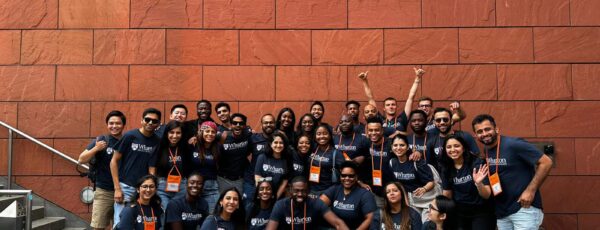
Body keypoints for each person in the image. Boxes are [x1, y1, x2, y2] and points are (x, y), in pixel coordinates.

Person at [472, 114, 552, 229]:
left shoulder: (514, 144)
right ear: (476, 135)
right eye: (480, 131)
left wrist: (530, 191)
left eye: (487, 129)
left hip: (523, 208)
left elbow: (546, 162)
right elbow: (487, 194)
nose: (484, 134)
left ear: (496, 129)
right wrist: (478, 184)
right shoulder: (486, 152)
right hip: (502, 213)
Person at [110, 108, 162, 227]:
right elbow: (113, 161)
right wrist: (117, 188)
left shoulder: (157, 141)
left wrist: (152, 188)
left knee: (142, 223)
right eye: (147, 119)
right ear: (142, 120)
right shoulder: (130, 136)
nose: (150, 123)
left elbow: (152, 167)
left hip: (144, 189)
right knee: (120, 222)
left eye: (154, 121)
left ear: (158, 124)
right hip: (126, 187)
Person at [78, 110, 126, 230]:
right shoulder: (101, 140)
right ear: (107, 124)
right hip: (104, 191)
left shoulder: (128, 140)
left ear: (123, 125)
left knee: (121, 226)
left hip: (125, 191)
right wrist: (96, 148)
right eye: (111, 123)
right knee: (98, 227)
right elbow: (81, 159)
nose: (114, 126)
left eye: (118, 123)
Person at [439, 135, 495, 230]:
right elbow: (447, 193)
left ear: (463, 148)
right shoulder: (446, 167)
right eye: (449, 147)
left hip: (481, 211)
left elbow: (486, 195)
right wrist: (441, 209)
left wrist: (478, 183)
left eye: (456, 146)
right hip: (459, 212)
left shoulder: (477, 163)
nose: (452, 149)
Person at [357, 68, 425, 138]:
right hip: (383, 147)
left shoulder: (402, 118)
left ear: (396, 107)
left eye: (393, 104)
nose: (391, 106)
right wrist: (365, 81)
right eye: (388, 105)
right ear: (384, 108)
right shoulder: (380, 119)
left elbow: (411, 97)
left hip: (399, 147)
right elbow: (370, 98)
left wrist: (417, 79)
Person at [266, 176, 349, 230]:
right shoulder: (280, 205)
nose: (300, 194)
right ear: (290, 190)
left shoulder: (316, 203)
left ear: (308, 191)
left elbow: (338, 223)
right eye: (296, 191)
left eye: (303, 191)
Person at [386, 135, 436, 222]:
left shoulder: (416, 161)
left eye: (402, 145)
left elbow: (431, 182)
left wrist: (424, 189)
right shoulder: (392, 163)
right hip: (411, 201)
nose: (398, 148)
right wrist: (406, 204)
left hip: (426, 200)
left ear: (407, 147)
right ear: (391, 147)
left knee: (426, 225)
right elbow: (399, 185)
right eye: (395, 145)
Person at [320, 161, 376, 229]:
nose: (347, 178)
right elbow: (319, 205)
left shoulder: (365, 194)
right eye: (343, 175)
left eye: (351, 176)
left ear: (356, 177)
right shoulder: (335, 189)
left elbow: (370, 218)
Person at [358, 117, 391, 207]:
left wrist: (416, 153)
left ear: (382, 131)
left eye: (376, 130)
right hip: (370, 190)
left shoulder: (391, 144)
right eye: (370, 130)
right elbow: (355, 165)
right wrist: (360, 182)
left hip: (389, 189)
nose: (373, 133)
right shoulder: (364, 144)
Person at [155, 120, 189, 209]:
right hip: (162, 186)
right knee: (165, 213)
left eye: (178, 133)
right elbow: (152, 167)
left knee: (178, 214)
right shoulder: (160, 147)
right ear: (166, 133)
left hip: (181, 186)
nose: (175, 136)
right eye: (171, 132)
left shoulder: (186, 147)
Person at [246, 114, 277, 206]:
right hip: (252, 180)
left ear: (275, 124)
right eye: (266, 123)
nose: (268, 125)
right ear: (261, 125)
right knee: (249, 205)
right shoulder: (253, 138)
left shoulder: (278, 140)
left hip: (271, 182)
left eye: (271, 122)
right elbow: (244, 154)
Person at [217, 113, 252, 195]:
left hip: (240, 179)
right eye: (235, 123)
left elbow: (249, 151)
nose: (238, 125)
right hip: (223, 179)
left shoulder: (248, 135)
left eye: (241, 123)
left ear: (244, 126)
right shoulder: (223, 136)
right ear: (231, 125)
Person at [190, 121, 220, 214]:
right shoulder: (193, 145)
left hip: (211, 189)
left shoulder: (217, 148)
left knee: (210, 217)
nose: (210, 134)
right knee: (193, 218)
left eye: (213, 132)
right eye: (207, 131)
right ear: (202, 132)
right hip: (193, 187)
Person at [308, 124, 345, 197]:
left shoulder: (336, 153)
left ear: (330, 136)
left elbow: (345, 171)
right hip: (311, 190)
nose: (322, 136)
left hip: (327, 191)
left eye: (325, 133)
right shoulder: (312, 149)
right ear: (315, 137)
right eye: (319, 134)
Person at [254, 132, 290, 199]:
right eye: (275, 142)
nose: (278, 145)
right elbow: (257, 178)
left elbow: (284, 183)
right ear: (270, 144)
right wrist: (263, 195)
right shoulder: (262, 157)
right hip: (262, 194)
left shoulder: (286, 160)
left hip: (277, 196)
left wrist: (275, 198)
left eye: (281, 143)